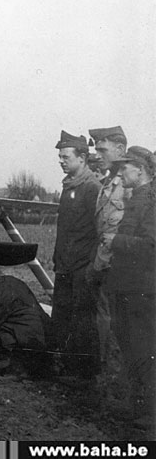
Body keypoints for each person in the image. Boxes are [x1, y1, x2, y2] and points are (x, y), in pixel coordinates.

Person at [101, 146, 155, 426]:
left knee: (144, 349)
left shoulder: (151, 202)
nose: (120, 174)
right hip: (126, 287)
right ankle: (136, 407)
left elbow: (151, 246)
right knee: (130, 348)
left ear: (140, 170)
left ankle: (149, 413)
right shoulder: (137, 199)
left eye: (124, 168)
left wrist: (116, 241)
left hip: (141, 290)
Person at [51, 130, 102, 379]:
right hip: (65, 266)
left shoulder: (92, 188)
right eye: (59, 156)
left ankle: (84, 373)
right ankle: (67, 366)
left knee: (82, 320)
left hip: (82, 267)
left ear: (82, 158)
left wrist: (90, 266)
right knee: (62, 316)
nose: (61, 160)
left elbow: (99, 230)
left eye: (66, 156)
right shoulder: (69, 186)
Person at [87, 126, 129, 385]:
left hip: (119, 268)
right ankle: (107, 374)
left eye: (103, 149)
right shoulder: (107, 183)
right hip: (105, 266)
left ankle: (116, 378)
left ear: (120, 149)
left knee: (119, 326)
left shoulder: (131, 185)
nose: (98, 155)